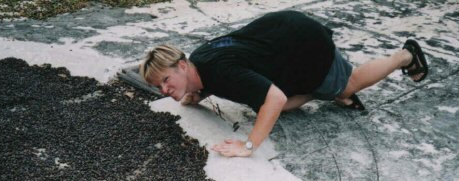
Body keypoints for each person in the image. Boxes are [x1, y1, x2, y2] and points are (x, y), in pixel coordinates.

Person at [140, 10, 428, 158]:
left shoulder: (220, 72)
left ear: (181, 65)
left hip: (304, 44)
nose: (164, 90)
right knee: (276, 103)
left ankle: (404, 56)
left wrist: (248, 146)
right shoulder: (199, 62)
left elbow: (273, 99)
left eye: (165, 80)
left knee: (346, 85)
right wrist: (195, 94)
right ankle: (320, 88)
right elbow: (223, 72)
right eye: (159, 88)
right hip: (283, 36)